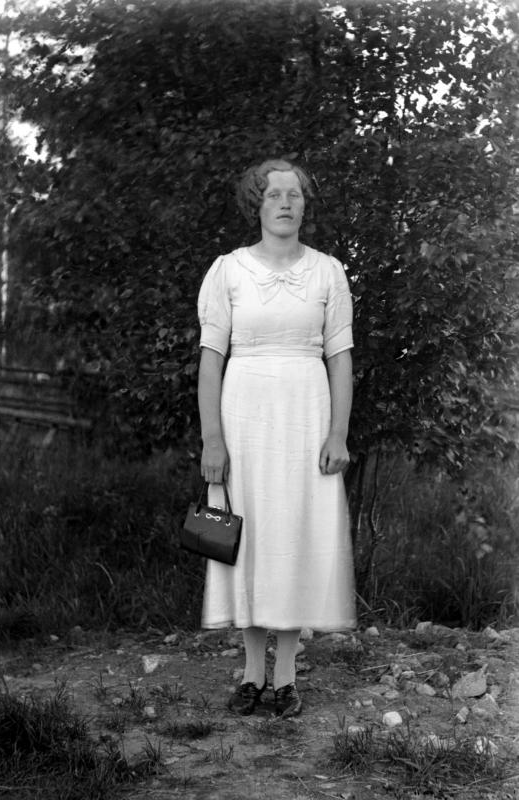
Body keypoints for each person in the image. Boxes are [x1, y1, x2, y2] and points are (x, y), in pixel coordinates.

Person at [197, 158, 356, 719]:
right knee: (249, 539)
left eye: (294, 194)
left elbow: (340, 359)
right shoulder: (228, 271)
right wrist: (212, 439)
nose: (285, 203)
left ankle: (285, 678)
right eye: (273, 194)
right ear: (256, 205)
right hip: (243, 421)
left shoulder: (328, 273)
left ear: (305, 205)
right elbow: (211, 360)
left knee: (293, 538)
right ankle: (250, 674)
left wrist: (338, 433)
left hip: (306, 419)